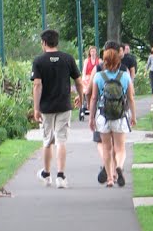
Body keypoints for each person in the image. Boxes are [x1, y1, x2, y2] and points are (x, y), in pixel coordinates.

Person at [31, 29, 85, 189]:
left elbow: (37, 85)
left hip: (46, 107)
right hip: (64, 106)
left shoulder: (39, 61)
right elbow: (79, 82)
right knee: (61, 140)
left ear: (44, 43)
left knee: (47, 140)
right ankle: (61, 176)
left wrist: (36, 108)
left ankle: (46, 174)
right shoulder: (67, 59)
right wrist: (81, 99)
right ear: (57, 42)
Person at [89, 45, 136, 187]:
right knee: (120, 149)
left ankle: (109, 179)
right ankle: (119, 167)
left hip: (103, 116)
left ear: (104, 61)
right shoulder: (125, 76)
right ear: (118, 61)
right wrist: (133, 116)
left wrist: (91, 118)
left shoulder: (98, 76)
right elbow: (131, 98)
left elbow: (93, 98)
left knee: (106, 148)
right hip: (120, 116)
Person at [81, 45, 99, 115]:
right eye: (92, 51)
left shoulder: (99, 61)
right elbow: (84, 71)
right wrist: (84, 77)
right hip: (88, 78)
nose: (93, 53)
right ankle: (88, 104)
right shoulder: (86, 61)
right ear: (90, 52)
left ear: (96, 52)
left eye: (94, 51)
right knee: (86, 90)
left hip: (96, 77)